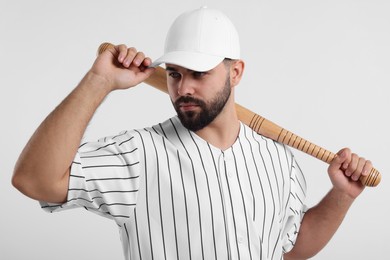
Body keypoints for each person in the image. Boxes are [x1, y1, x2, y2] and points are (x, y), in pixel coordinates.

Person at [12, 6, 372, 260]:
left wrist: (342, 196)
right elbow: (33, 180)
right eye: (174, 73)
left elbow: (291, 249)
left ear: (236, 73)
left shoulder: (277, 158)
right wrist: (98, 82)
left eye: (199, 74)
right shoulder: (138, 155)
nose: (183, 87)